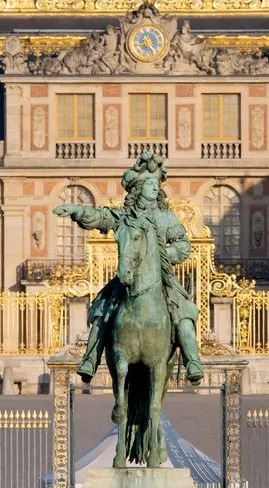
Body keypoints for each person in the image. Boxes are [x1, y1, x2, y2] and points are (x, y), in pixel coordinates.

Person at [53, 151, 203, 384]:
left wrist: (163, 257)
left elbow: (183, 246)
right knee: (102, 311)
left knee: (183, 314)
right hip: (128, 276)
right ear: (138, 187)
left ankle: (192, 360)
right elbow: (100, 217)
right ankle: (90, 358)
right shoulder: (125, 216)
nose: (155, 188)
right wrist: (77, 211)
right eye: (149, 183)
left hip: (160, 278)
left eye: (156, 184)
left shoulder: (166, 218)